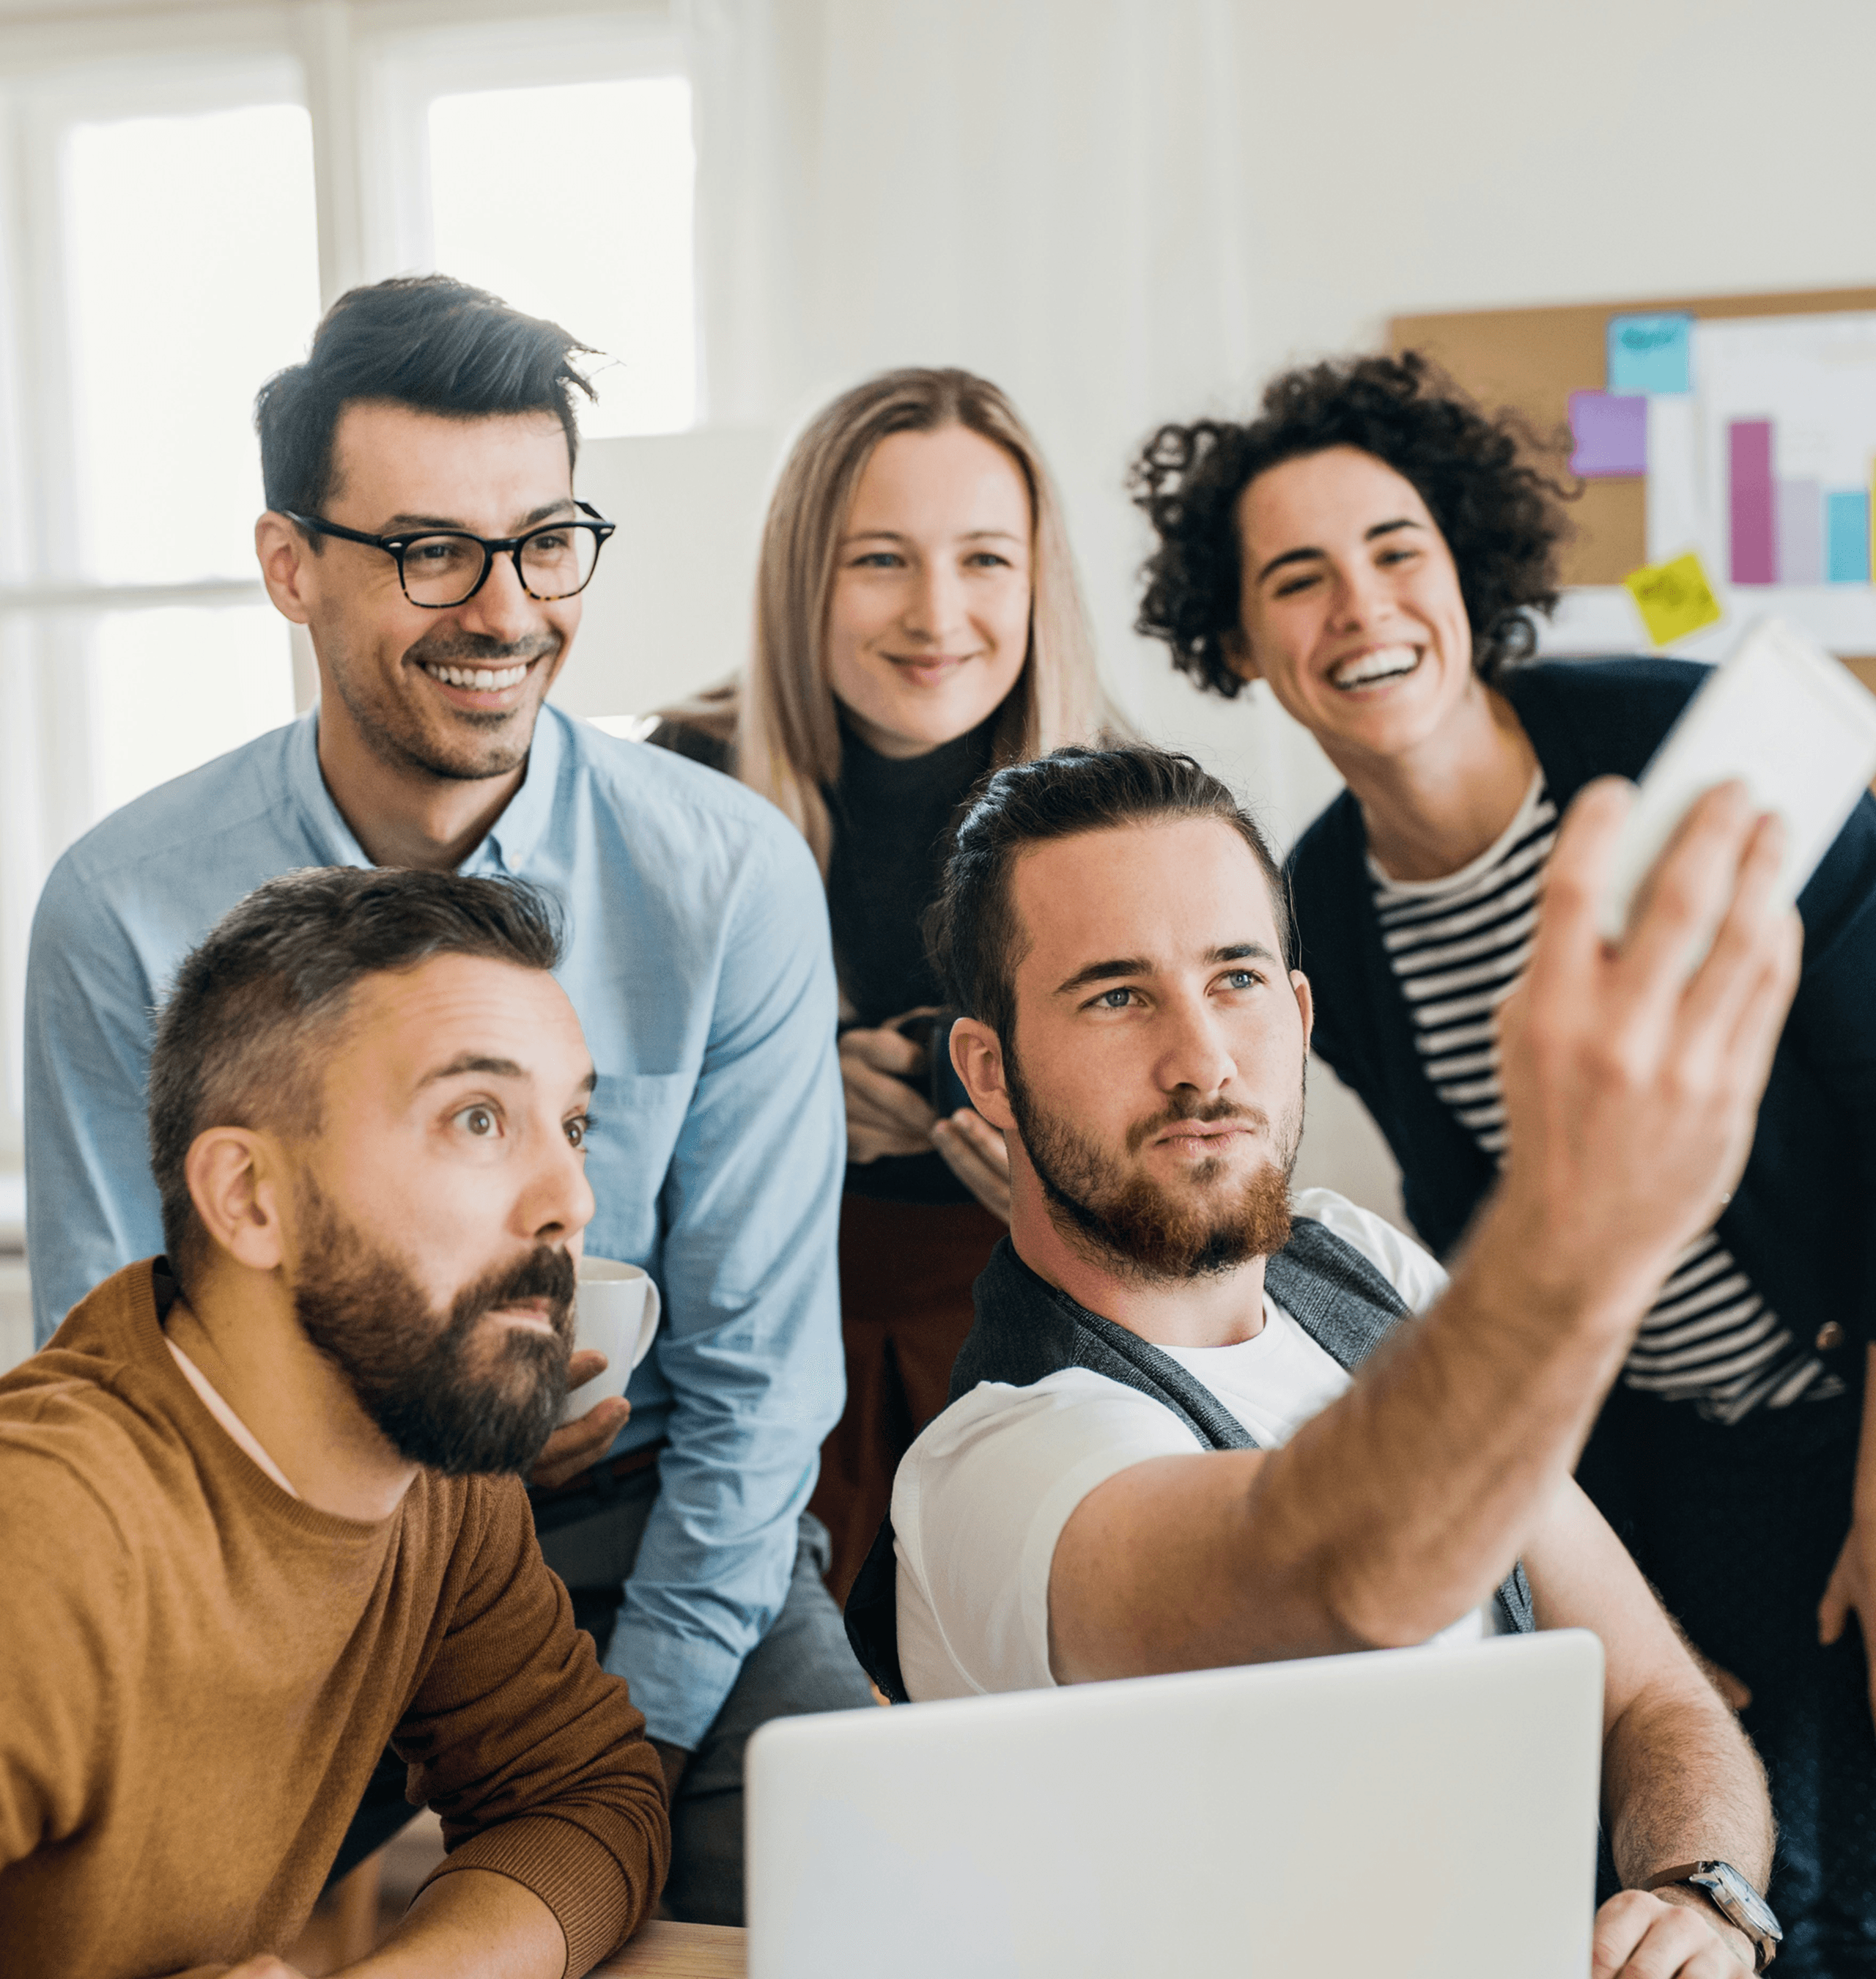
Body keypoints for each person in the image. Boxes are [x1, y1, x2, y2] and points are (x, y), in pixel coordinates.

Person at [22, 274, 872, 1925]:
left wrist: (613, 1755)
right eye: (429, 552)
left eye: (545, 542)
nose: (500, 609)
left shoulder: (726, 874)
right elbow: (113, 1358)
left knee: (880, 1901)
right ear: (292, 567)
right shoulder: (121, 906)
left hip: (657, 1539)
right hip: (274, 1553)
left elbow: (759, 1386)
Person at [1129, 353, 1876, 1972]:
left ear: (1463, 570)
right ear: (1243, 647)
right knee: (1743, 1884)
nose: (1359, 607)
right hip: (1672, 1467)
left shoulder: (1686, 749)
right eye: (1294, 579)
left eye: (1394, 551)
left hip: (1857, 1401)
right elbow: (1485, 1235)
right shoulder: (1310, 914)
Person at [849, 744, 1795, 1978]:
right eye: (1117, 996)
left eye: (1234, 978)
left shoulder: (1354, 1263)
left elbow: (1651, 1694)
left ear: (1295, 1016)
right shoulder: (995, 1468)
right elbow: (1342, 1582)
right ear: (991, 1073)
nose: (1203, 1060)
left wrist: (1697, 1895)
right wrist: (1579, 1226)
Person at [1, 868, 668, 1979]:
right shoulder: (47, 1536)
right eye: (477, 1118)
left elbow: (582, 1794)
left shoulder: (430, 1467)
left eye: (573, 1123)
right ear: (252, 1200)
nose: (571, 1199)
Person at [646, 367, 1105, 1597]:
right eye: (881, 560)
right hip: (760, 1335)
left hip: (1048, 1336)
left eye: (985, 561)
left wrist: (1080, 1175)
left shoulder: (1126, 801)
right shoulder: (679, 783)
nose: (937, 613)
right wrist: (791, 1102)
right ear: (805, 575)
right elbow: (598, 1121)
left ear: (1037, 578)